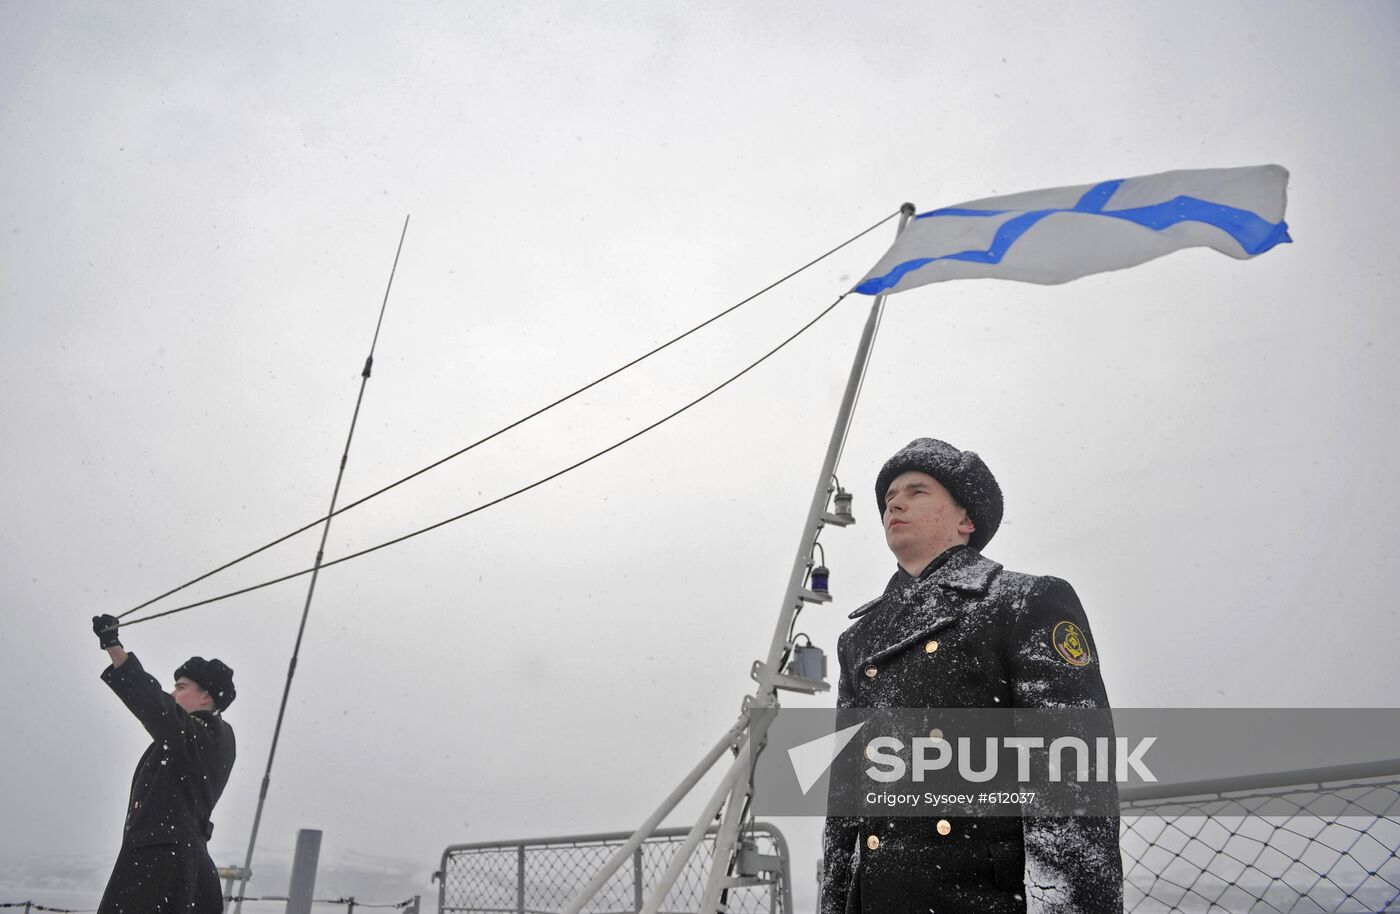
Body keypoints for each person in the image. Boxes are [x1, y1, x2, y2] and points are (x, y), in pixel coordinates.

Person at [819, 438, 1122, 914]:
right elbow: (845, 809)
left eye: (916, 491)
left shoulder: (1023, 602)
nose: (893, 503)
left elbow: (1073, 787)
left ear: (966, 519)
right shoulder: (858, 641)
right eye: (887, 499)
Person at [91, 613, 237, 914]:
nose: (172, 693)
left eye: (180, 686)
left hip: (161, 869)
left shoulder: (208, 735)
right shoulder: (195, 736)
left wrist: (115, 649)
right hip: (171, 865)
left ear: (205, 696)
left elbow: (158, 708)